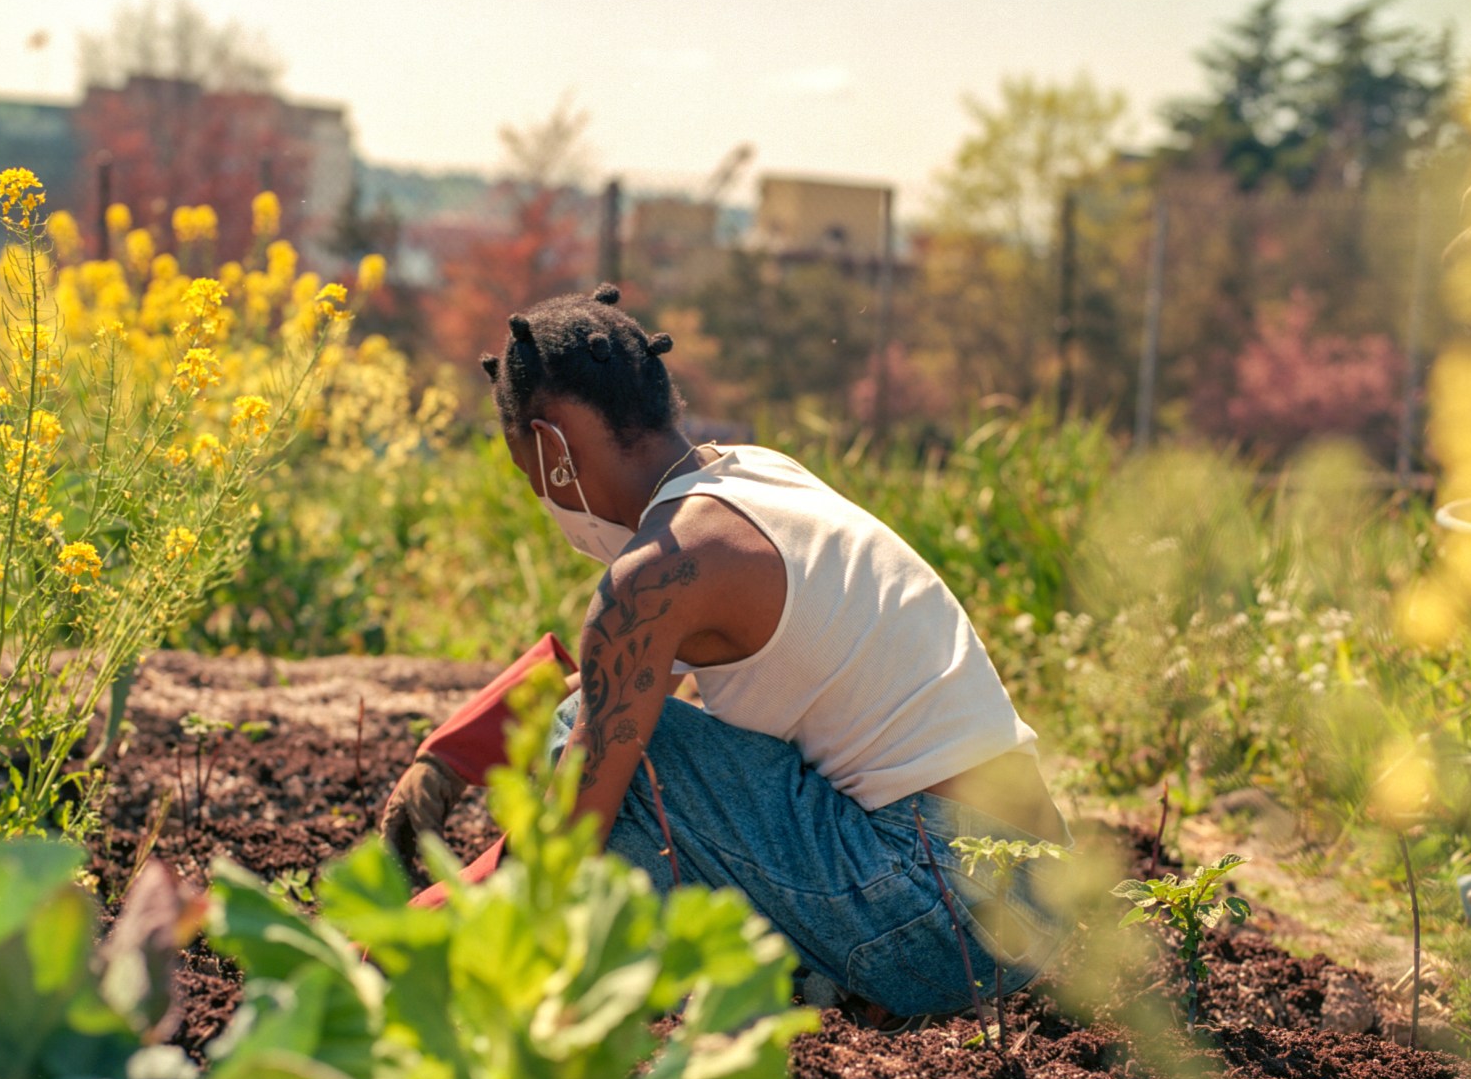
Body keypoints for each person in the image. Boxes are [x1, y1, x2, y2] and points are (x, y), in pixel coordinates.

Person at [380, 285, 1070, 1031]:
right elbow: (619, 683)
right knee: (614, 735)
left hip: (938, 917)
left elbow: (579, 804)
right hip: (1035, 898)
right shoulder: (753, 481)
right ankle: (794, 979)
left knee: (601, 753)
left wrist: (428, 925)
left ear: (551, 449)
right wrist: (452, 757)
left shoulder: (652, 575)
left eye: (527, 474)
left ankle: (698, 1000)